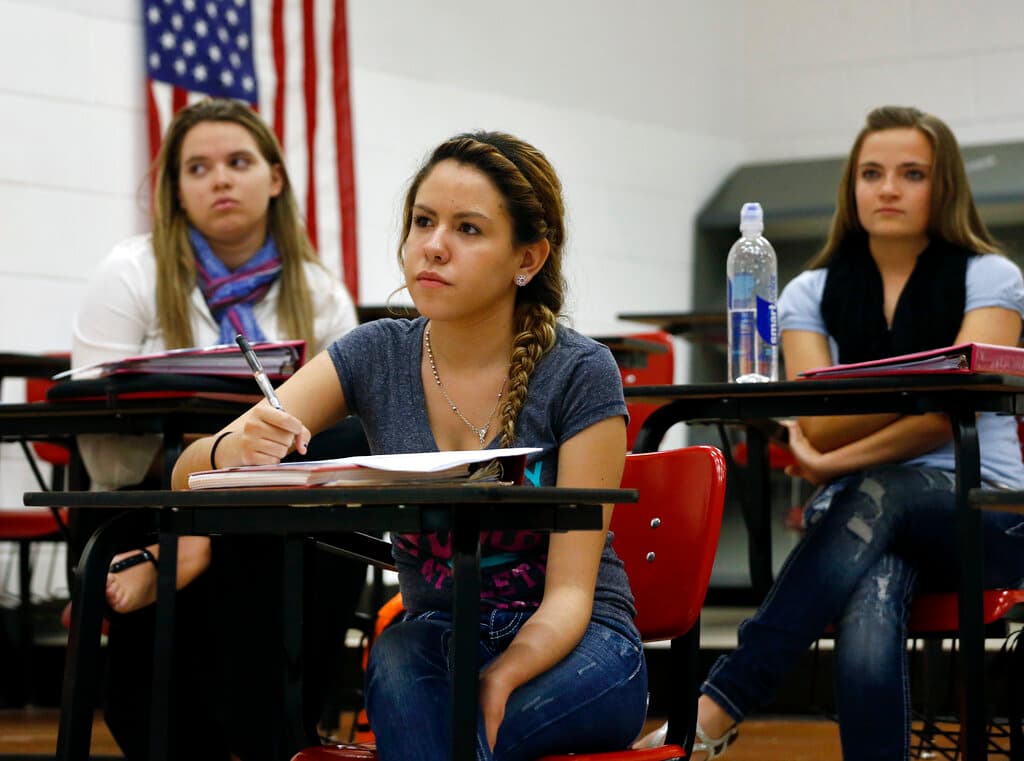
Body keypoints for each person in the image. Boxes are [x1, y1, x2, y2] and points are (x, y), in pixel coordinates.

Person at [172, 130, 649, 761]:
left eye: (469, 230)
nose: (433, 246)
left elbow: (569, 594)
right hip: (437, 636)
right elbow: (187, 477)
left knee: (467, 733)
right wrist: (229, 451)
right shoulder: (376, 353)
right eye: (422, 221)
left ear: (527, 259)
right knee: (400, 654)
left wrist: (505, 673)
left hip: (579, 641)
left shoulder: (580, 371)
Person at [639, 105, 1024, 761]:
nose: (888, 188)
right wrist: (913, 393)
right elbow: (819, 416)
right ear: (852, 186)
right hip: (863, 525)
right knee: (872, 596)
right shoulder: (809, 291)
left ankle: (720, 702)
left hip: (984, 513)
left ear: (946, 185)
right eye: (871, 172)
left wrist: (831, 457)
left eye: (912, 173)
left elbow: (943, 412)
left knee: (882, 493)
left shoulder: (991, 276)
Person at [71, 97, 366, 760]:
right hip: (149, 509)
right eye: (197, 167)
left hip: (279, 511)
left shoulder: (319, 291)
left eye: (238, 161)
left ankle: (202, 547)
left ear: (276, 177)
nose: (221, 179)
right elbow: (101, 450)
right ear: (176, 189)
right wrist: (208, 474)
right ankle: (277, 735)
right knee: (290, 517)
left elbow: (344, 428)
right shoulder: (131, 272)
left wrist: (230, 495)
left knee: (345, 456)